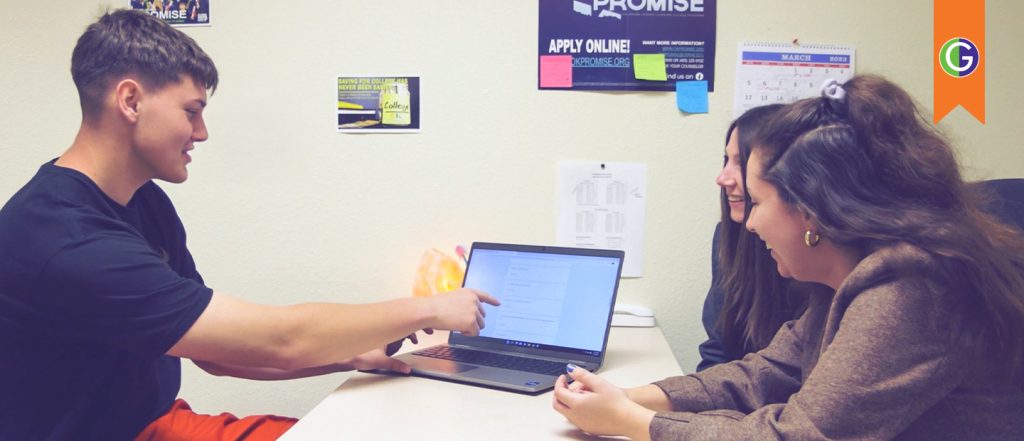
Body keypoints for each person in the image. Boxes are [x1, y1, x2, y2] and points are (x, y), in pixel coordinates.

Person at [0, 9, 498, 441]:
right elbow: (281, 338)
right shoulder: (64, 238)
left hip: (148, 423)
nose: (202, 132)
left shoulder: (145, 203)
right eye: (191, 112)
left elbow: (216, 355)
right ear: (130, 101)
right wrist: (430, 307)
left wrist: (349, 357)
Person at [552, 75, 1024, 440]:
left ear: (811, 213)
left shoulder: (912, 291)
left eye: (757, 203)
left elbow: (798, 435)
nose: (750, 224)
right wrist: (629, 399)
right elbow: (763, 373)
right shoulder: (845, 282)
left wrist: (634, 422)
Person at [697, 104, 816, 371]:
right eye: (726, 160)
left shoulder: (829, 269)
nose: (723, 178)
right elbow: (721, 356)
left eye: (741, 162)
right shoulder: (729, 239)